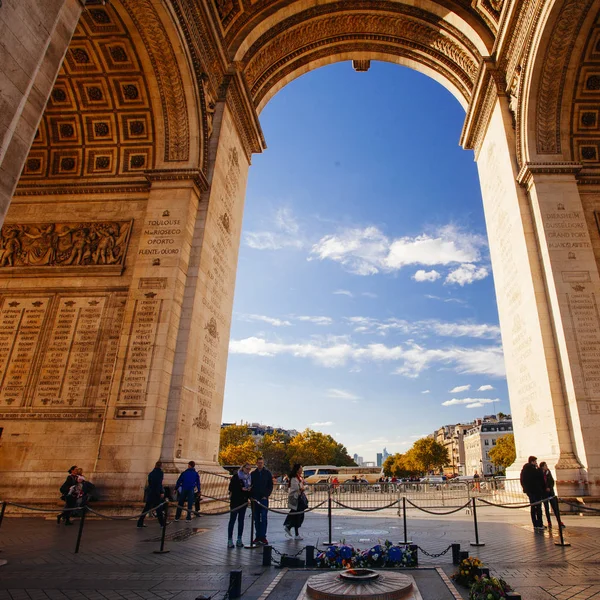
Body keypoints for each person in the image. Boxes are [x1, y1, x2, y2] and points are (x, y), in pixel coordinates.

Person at [227, 463, 252, 548]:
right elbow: (231, 488)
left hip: (243, 501)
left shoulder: (249, 478)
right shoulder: (236, 476)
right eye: (247, 468)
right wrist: (241, 488)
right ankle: (230, 540)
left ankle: (239, 539)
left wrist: (248, 491)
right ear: (243, 468)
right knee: (232, 520)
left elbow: (250, 489)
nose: (248, 470)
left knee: (241, 521)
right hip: (235, 501)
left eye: (249, 469)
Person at [250, 457, 273, 545]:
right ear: (256, 463)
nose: (260, 464)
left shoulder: (267, 473)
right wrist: (251, 497)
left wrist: (266, 495)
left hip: (264, 499)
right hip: (255, 499)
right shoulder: (253, 474)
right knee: (256, 518)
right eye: (259, 463)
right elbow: (251, 485)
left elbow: (270, 486)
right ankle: (257, 536)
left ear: (263, 464)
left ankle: (263, 536)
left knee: (264, 518)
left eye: (261, 463)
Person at [137, 461, 165, 528]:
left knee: (146, 509)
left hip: (151, 492)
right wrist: (161, 492)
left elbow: (150, 483)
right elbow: (159, 483)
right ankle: (162, 524)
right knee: (159, 509)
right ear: (161, 466)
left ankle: (139, 523)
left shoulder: (151, 474)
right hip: (157, 493)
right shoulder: (160, 473)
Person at [520, 455, 545, 530]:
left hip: (529, 491)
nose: (536, 463)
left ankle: (535, 524)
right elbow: (540, 477)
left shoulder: (524, 470)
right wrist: (539, 469)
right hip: (536, 491)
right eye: (535, 462)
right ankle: (540, 524)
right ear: (533, 462)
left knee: (533, 508)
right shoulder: (534, 470)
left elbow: (522, 480)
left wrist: (526, 489)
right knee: (538, 508)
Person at [283, 464, 307, 540]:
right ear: (297, 469)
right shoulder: (294, 478)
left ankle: (289, 527)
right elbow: (296, 488)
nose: (302, 469)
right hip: (295, 498)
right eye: (300, 468)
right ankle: (293, 531)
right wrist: (303, 487)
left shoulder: (298, 477)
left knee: (296, 514)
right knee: (297, 515)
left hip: (298, 498)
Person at [539, 461, 565, 528]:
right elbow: (540, 483)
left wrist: (549, 487)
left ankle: (559, 521)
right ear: (542, 467)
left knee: (555, 508)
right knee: (546, 508)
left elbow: (552, 481)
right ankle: (549, 522)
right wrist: (545, 488)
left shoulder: (548, 472)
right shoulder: (540, 473)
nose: (546, 466)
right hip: (544, 494)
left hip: (551, 493)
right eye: (545, 465)